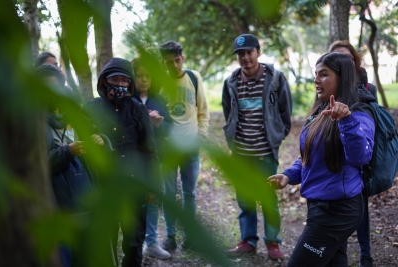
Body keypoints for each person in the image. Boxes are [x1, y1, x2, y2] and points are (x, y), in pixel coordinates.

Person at [268, 52, 376, 266]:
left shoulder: (359, 112)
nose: (316, 80)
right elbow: (311, 158)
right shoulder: (321, 110)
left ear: (342, 78)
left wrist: (347, 121)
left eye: (324, 74)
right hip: (319, 206)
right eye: (316, 74)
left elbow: (361, 156)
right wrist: (288, 176)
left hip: (338, 210)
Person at [83, 57, 160, 267]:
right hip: (103, 183)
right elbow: (80, 140)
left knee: (134, 239)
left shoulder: (137, 109)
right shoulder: (91, 107)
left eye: (125, 81)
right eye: (115, 79)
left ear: (130, 84)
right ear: (105, 81)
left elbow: (150, 149)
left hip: (134, 181)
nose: (120, 85)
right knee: (106, 236)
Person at [222, 33, 292, 261]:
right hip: (240, 155)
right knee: (245, 200)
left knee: (269, 200)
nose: (245, 58)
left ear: (258, 52)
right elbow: (228, 112)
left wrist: (277, 136)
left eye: (249, 52)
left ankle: (273, 243)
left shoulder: (275, 79)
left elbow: (285, 112)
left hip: (265, 155)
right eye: (240, 54)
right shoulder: (231, 81)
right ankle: (248, 241)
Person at [37, 63, 104, 267]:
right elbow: (36, 165)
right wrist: (68, 151)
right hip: (58, 212)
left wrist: (100, 140)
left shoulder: (74, 115)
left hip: (86, 207)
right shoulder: (33, 121)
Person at [329, 40, 376, 267]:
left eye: (347, 57)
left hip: (361, 158)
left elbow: (370, 121)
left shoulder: (365, 88)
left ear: (354, 60)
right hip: (336, 161)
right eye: (337, 57)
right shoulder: (328, 87)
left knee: (361, 208)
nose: (343, 61)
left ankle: (365, 254)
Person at [158, 41, 209, 250]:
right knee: (168, 193)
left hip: (190, 147)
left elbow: (203, 111)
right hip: (168, 148)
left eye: (177, 61)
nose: (174, 66)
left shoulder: (194, 78)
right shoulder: (159, 83)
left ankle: (190, 235)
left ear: (183, 58)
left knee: (189, 193)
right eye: (168, 63)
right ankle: (170, 236)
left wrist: (201, 136)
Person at [131, 57, 173, 259]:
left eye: (148, 76)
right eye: (140, 75)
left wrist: (158, 124)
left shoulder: (158, 99)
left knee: (154, 197)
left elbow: (169, 128)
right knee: (136, 199)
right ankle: (134, 242)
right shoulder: (128, 99)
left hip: (156, 159)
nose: (144, 79)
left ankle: (152, 242)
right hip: (133, 160)